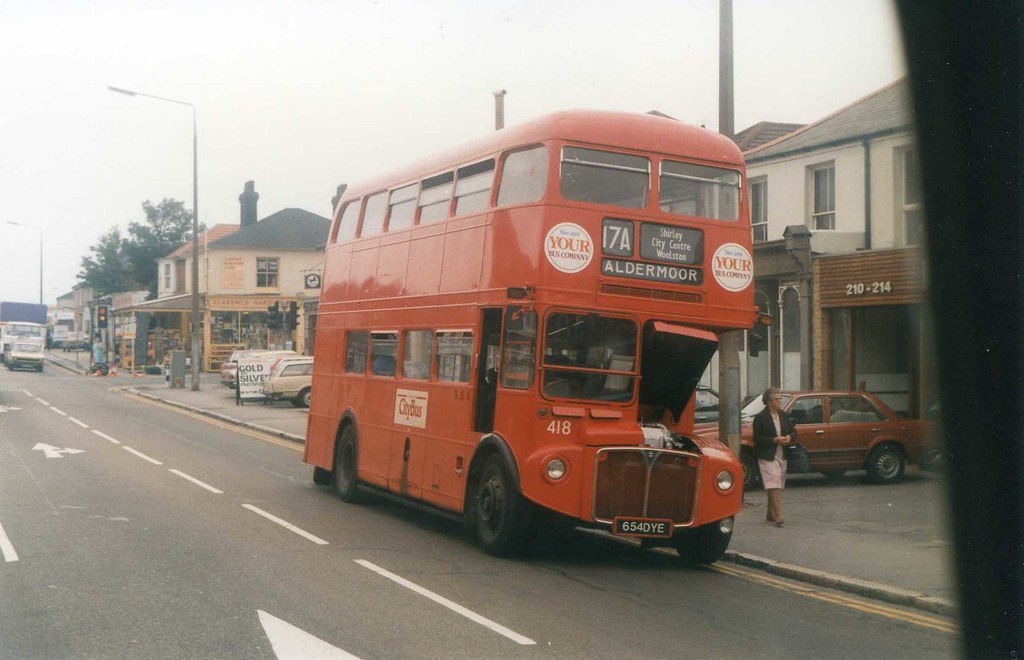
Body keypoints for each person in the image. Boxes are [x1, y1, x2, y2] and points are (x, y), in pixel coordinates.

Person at [753, 387, 797, 527]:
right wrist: (774, 440)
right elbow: (757, 439)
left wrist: (789, 437)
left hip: (782, 454)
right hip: (767, 455)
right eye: (777, 399)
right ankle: (778, 516)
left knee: (775, 484)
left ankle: (770, 512)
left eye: (780, 399)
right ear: (769, 401)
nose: (780, 401)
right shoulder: (760, 418)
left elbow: (793, 432)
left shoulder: (783, 415)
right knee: (774, 482)